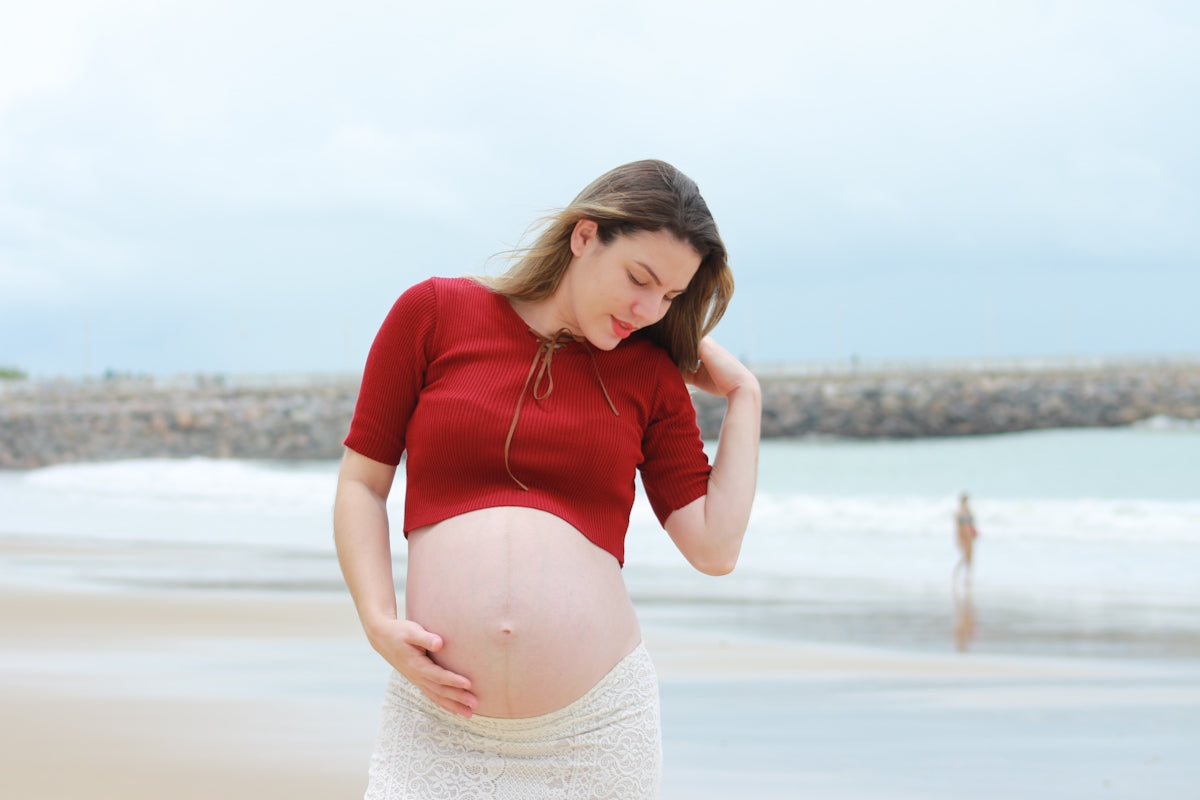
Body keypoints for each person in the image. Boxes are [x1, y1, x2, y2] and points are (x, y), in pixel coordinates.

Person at [333, 159, 761, 800]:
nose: (649, 311)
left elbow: (714, 548)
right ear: (584, 236)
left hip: (596, 734)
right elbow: (362, 484)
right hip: (437, 725)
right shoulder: (434, 312)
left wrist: (745, 395)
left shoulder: (647, 374)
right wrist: (376, 620)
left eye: (670, 298)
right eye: (639, 279)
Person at [953, 492, 978, 588]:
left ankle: (967, 576)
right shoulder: (958, 512)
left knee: (970, 557)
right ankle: (956, 572)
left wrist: (973, 534)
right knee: (964, 556)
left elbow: (972, 524)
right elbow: (957, 527)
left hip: (969, 536)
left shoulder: (969, 511)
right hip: (962, 536)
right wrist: (957, 538)